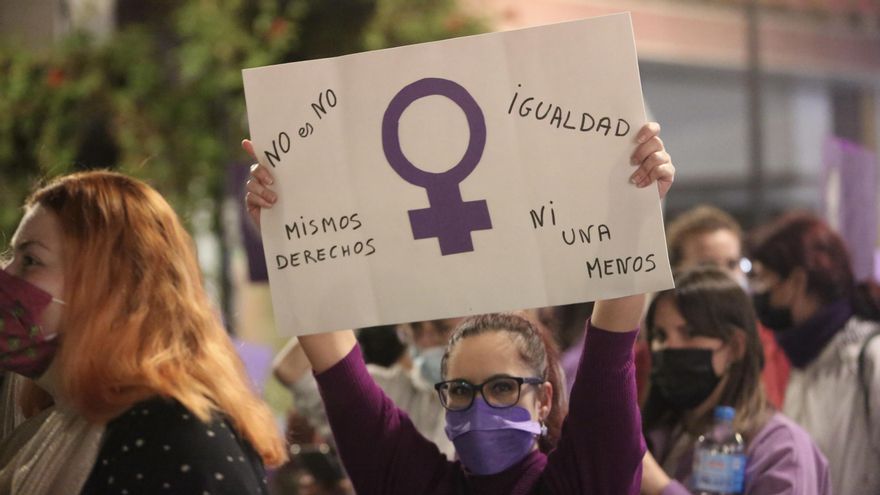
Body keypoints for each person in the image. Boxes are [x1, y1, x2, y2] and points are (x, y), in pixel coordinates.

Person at [245, 122, 674, 494]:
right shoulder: (412, 483)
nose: (479, 408)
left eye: (503, 388)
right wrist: (288, 227)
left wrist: (636, 205)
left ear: (543, 399)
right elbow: (336, 369)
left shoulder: (586, 481)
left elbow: (610, 353)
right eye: (461, 391)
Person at [0, 171, 286, 494]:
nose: (6, 274)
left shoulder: (174, 439)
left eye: (30, 260)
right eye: (13, 256)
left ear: (112, 288)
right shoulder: (63, 425)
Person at [639, 265, 829, 495]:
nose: (670, 347)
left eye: (689, 333)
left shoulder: (782, 449)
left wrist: (661, 488)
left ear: (735, 347)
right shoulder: (661, 433)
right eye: (660, 336)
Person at [748, 211, 880, 495]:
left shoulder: (870, 358)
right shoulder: (804, 359)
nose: (756, 292)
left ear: (796, 281)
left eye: (762, 278)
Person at [665, 205, 790, 408]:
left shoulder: (771, 344)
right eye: (708, 267)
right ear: (677, 272)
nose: (725, 277)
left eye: (732, 264)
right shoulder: (661, 349)